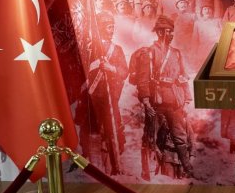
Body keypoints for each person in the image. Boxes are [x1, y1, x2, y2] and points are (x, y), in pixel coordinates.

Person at [129, 15, 196, 181]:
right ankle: (148, 173)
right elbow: (143, 79)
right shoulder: (149, 53)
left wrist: (187, 99)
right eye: (168, 31)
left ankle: (187, 169)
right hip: (156, 102)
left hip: (175, 100)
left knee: (180, 137)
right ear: (159, 33)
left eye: (172, 31)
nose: (171, 34)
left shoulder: (176, 54)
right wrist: (146, 101)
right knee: (151, 137)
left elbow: (182, 77)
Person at [76, 11, 127, 175]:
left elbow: (124, 71)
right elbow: (80, 71)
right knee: (91, 131)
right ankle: (94, 167)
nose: (111, 30)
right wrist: (94, 65)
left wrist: (111, 68)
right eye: (108, 27)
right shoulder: (90, 49)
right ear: (101, 28)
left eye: (112, 27)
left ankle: (113, 168)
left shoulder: (117, 50)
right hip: (93, 97)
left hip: (110, 97)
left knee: (113, 131)